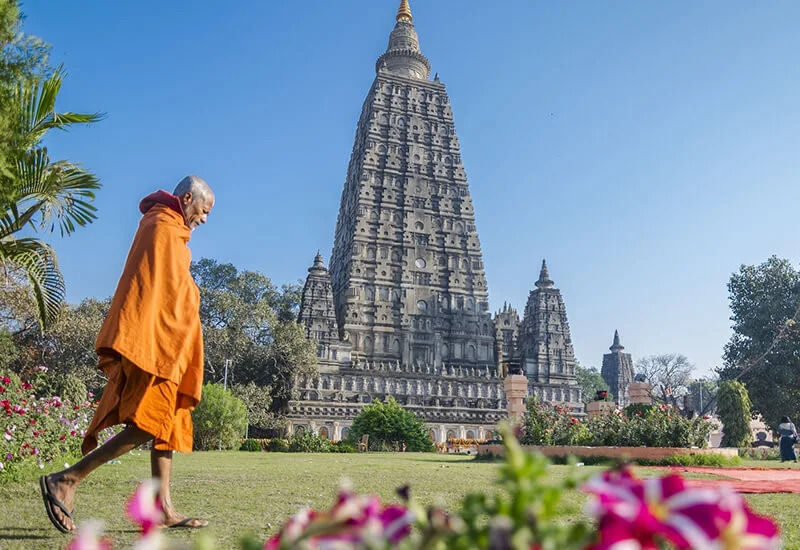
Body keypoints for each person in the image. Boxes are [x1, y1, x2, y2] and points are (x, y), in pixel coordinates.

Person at [39, 175, 215, 533]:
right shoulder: (162, 227)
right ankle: (68, 479)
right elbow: (160, 292)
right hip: (155, 343)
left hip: (167, 344)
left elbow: (171, 286)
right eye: (204, 210)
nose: (204, 219)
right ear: (186, 199)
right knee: (148, 424)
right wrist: (191, 296)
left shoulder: (168, 228)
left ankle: (163, 507)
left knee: (164, 424)